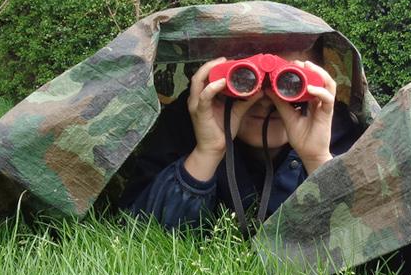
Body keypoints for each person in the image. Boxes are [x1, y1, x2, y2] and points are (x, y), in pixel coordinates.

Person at [120, 42, 363, 232]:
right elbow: (137, 237)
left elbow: (370, 249)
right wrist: (208, 151)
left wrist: (318, 159)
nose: (267, 100)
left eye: (290, 82)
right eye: (245, 79)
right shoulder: (186, 122)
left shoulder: (343, 133)